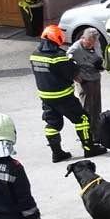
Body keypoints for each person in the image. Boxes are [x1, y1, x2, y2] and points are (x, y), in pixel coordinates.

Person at [31, 25, 99, 163]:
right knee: (83, 119)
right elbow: (72, 73)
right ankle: (89, 148)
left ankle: (57, 153)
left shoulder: (34, 55)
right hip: (62, 96)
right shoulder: (58, 57)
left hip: (45, 96)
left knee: (52, 124)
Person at [70, 27, 105, 128]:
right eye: (89, 43)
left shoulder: (96, 43)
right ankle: (87, 132)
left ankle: (97, 130)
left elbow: (100, 57)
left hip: (95, 77)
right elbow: (65, 62)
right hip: (84, 80)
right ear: (83, 38)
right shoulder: (75, 48)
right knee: (87, 107)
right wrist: (75, 75)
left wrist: (101, 64)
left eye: (93, 43)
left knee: (97, 106)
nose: (91, 46)